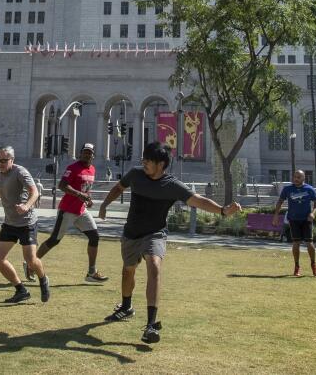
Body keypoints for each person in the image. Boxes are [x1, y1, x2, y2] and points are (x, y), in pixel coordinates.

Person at [98, 141, 242, 344]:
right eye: (144, 158)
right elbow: (118, 187)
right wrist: (104, 204)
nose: (144, 162)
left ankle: (150, 325)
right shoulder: (136, 174)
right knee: (128, 271)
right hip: (131, 233)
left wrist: (222, 210)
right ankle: (126, 307)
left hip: (154, 233)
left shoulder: (172, 185)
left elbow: (197, 200)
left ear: (161, 164)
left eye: (149, 160)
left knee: (154, 266)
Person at [0, 145, 50, 304]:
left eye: (4, 160)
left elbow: (35, 192)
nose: (0, 163)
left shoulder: (20, 172)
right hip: (10, 224)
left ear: (12, 160)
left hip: (27, 222)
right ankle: (21, 290)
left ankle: (43, 279)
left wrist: (26, 206)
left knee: (30, 259)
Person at [35, 142, 109, 282]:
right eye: (85, 152)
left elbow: (85, 189)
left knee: (94, 237)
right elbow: (62, 185)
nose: (87, 154)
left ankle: (91, 273)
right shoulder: (73, 167)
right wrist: (80, 195)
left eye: (90, 152)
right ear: (80, 153)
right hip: (67, 210)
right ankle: (32, 263)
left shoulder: (92, 169)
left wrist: (88, 199)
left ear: (93, 155)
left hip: (81, 210)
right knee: (54, 240)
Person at [272, 169, 316, 276]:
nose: (296, 179)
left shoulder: (309, 189)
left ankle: (313, 265)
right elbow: (280, 201)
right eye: (295, 177)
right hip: (293, 219)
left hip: (306, 220)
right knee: (296, 243)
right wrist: (276, 215)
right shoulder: (288, 189)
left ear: (303, 178)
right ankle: (297, 267)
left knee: (309, 243)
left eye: (299, 177)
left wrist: (313, 213)